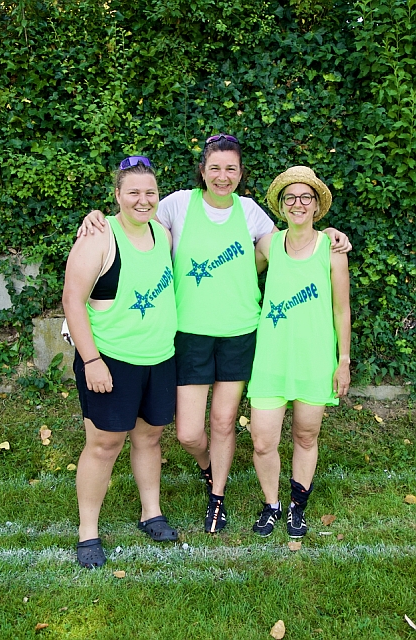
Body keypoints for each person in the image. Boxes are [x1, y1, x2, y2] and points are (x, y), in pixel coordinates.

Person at [79, 135, 351, 534]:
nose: (223, 176)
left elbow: (292, 244)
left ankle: (217, 497)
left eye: (231, 169)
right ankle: (207, 466)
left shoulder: (251, 212)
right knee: (189, 433)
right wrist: (97, 216)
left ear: (240, 173)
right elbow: (134, 221)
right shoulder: (176, 205)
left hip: (240, 333)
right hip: (189, 334)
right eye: (215, 168)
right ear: (202, 171)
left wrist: (330, 234)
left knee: (223, 422)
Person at [62, 156, 178, 568]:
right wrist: (91, 359)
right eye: (133, 193)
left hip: (159, 357)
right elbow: (72, 301)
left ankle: (151, 513)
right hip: (111, 360)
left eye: (150, 192)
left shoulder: (163, 234)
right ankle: (88, 532)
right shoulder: (99, 237)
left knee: (149, 438)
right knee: (104, 444)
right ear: (117, 195)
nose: (142, 200)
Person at [248, 165, 351, 539]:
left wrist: (343, 360)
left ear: (316, 205)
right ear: (281, 205)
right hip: (271, 358)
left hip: (314, 359)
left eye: (305, 197)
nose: (297, 203)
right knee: (263, 441)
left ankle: (297, 507)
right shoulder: (268, 245)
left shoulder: (332, 250)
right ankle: (271, 505)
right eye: (290, 197)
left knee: (306, 437)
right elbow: (242, 277)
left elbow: (342, 310)